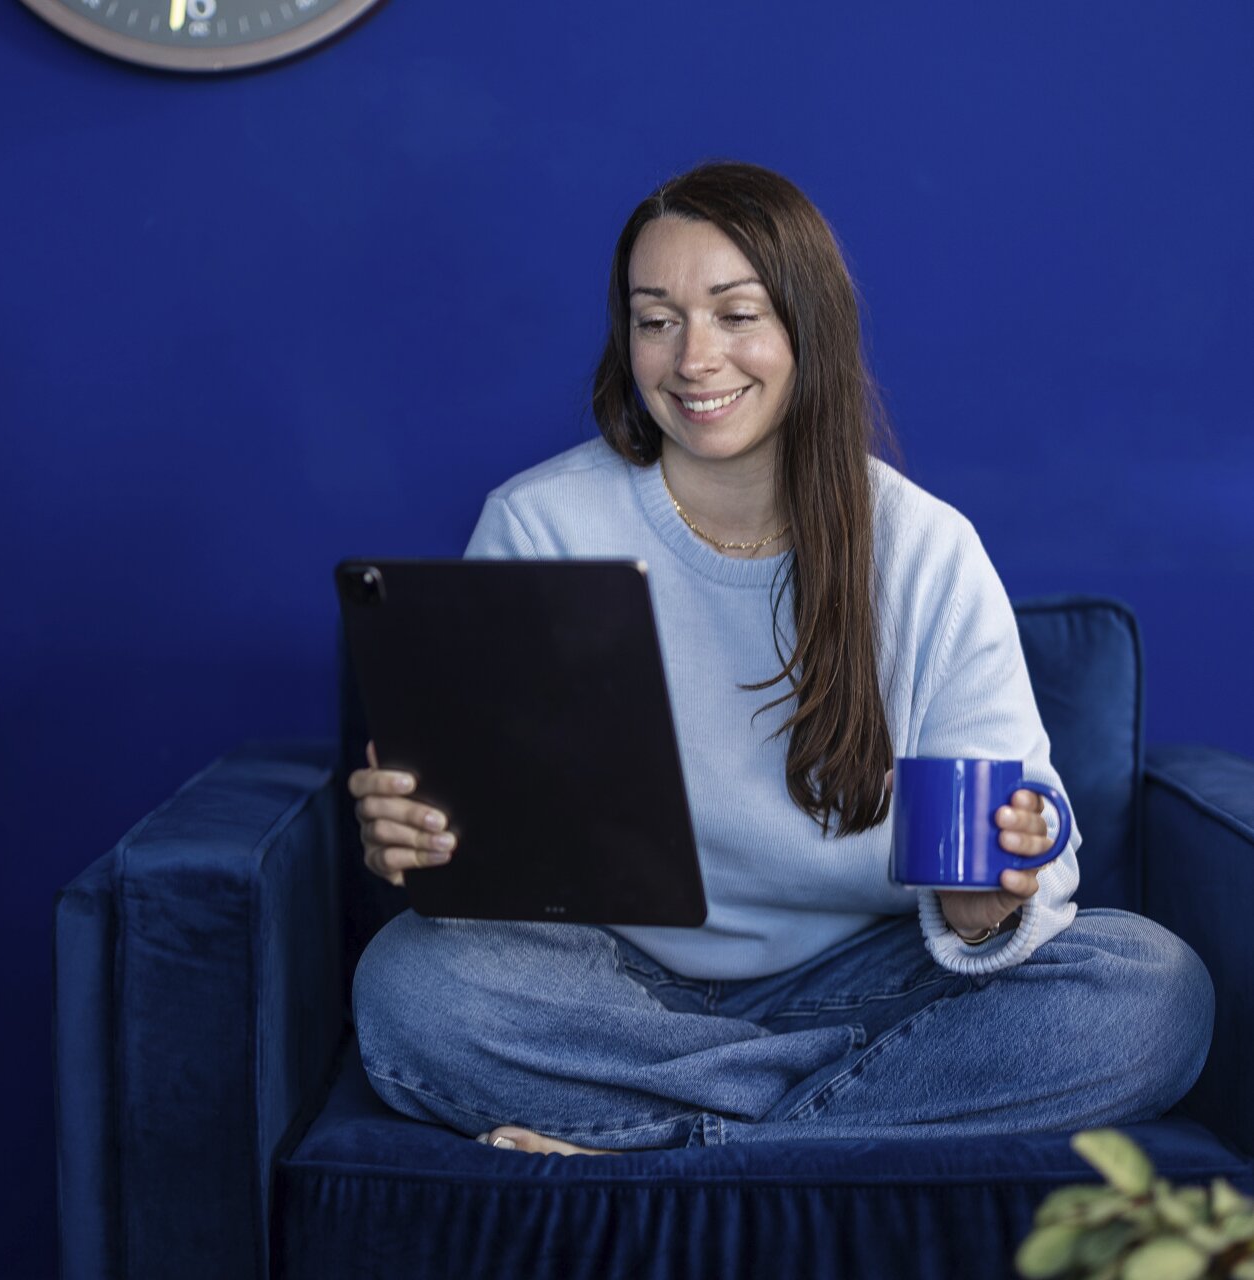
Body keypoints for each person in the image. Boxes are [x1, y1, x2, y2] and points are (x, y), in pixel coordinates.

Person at [347, 161, 1213, 1155]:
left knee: (1150, 991)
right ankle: (817, 1132)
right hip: (614, 988)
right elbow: (498, 849)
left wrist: (983, 913)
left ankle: (675, 1149)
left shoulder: (924, 549)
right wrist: (423, 843)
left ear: (807, 326)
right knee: (413, 982)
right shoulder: (542, 522)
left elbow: (1021, 872)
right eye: (655, 317)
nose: (692, 357)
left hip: (872, 981)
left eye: (735, 312)